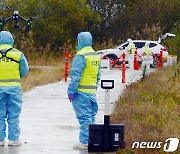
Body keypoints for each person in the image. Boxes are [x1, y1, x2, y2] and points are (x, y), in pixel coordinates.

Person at [67, 32, 101, 150]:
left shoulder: (81, 56)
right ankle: (92, 138)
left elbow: (76, 76)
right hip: (91, 91)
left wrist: (71, 90)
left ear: (80, 41)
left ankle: (85, 141)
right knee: (91, 117)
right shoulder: (95, 55)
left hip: (81, 92)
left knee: (84, 117)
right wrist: (93, 86)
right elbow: (98, 75)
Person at [0, 31, 29, 146]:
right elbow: (25, 69)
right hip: (14, 88)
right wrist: (18, 77)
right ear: (11, 40)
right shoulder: (18, 54)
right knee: (14, 113)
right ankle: (13, 139)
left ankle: (0, 140)